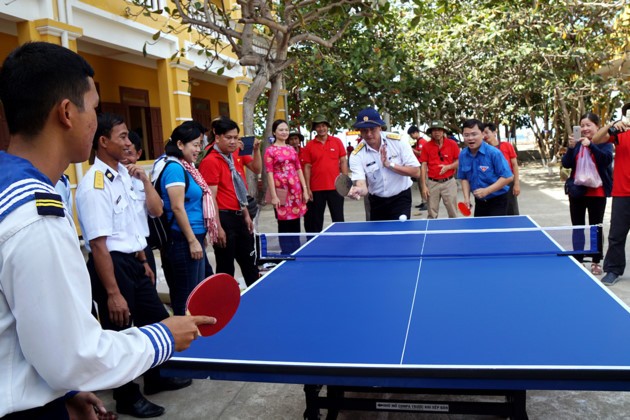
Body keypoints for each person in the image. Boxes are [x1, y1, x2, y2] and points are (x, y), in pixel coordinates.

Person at [0, 42, 211, 419]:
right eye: (94, 108)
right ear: (67, 112)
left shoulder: (12, 190)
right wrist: (163, 336)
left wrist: (62, 393)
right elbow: (76, 356)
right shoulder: (35, 218)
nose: (96, 120)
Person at [77, 113, 199, 417]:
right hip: (112, 267)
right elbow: (98, 244)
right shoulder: (94, 185)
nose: (129, 142)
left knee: (156, 319)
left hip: (135, 261)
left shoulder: (123, 176)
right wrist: (113, 292)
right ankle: (127, 395)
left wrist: (143, 259)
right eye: (122, 137)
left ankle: (157, 378)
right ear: (103, 142)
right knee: (119, 331)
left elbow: (145, 218)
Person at [159, 121, 218, 313]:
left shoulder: (188, 167)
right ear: (179, 144)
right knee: (186, 297)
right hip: (183, 240)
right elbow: (177, 207)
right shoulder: (174, 168)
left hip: (194, 236)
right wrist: (192, 240)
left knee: (196, 292)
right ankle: (184, 339)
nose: (198, 149)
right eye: (194, 144)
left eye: (200, 144)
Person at [198, 117, 260, 286]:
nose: (233, 142)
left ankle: (256, 297)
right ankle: (224, 306)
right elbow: (211, 198)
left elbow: (237, 188)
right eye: (229, 138)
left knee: (250, 263)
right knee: (226, 268)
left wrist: (246, 214)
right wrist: (217, 227)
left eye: (235, 137)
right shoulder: (210, 160)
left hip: (239, 215)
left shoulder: (232, 156)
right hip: (224, 219)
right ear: (217, 137)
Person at [561, 113, 613, 275]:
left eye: (588, 125)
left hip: (597, 192)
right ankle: (578, 259)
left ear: (597, 126)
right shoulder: (576, 143)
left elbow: (605, 161)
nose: (584, 128)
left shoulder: (605, 142)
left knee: (595, 228)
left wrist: (590, 145)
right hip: (577, 192)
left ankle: (596, 261)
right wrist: (570, 148)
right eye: (582, 125)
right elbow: (567, 163)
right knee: (578, 227)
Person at [347, 108, 421, 220]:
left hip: (400, 198)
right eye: (364, 130)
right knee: (378, 236)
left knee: (401, 235)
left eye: (372, 129)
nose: (369, 134)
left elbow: (416, 172)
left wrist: (389, 164)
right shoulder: (356, 154)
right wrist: (358, 190)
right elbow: (363, 186)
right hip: (376, 200)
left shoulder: (398, 142)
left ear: (380, 127)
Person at [592, 102, 630, 285]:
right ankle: (613, 270)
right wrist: (611, 124)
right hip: (622, 192)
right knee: (616, 234)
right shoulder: (620, 133)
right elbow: (596, 140)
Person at [264, 119, 309, 253]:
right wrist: (273, 196)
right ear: (274, 132)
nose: (284, 132)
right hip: (281, 190)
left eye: (286, 130)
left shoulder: (291, 149)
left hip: (295, 190)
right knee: (283, 222)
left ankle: (296, 251)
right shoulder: (270, 151)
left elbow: (299, 169)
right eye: (281, 130)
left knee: (295, 221)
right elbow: (269, 174)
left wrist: (304, 190)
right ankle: (286, 253)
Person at [123, 130, 162, 283]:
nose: (125, 159)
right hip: (122, 251)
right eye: (122, 153)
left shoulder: (142, 180)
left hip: (143, 247)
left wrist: (145, 181)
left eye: (129, 153)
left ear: (139, 154)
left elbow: (157, 211)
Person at [302, 114, 348, 232]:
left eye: (323, 126)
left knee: (338, 218)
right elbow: (307, 167)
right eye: (318, 126)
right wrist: (307, 188)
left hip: (336, 187)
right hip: (316, 188)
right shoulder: (309, 146)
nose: (321, 128)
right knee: (316, 220)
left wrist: (345, 181)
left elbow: (343, 161)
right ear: (315, 129)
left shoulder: (337, 141)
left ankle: (341, 242)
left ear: (327, 127)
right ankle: (316, 244)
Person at [458, 119, 513, 217]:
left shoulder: (494, 153)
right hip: (479, 202)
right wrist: (467, 198)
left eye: (474, 134)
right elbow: (464, 178)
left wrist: (487, 191)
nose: (470, 138)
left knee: (496, 231)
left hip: (498, 201)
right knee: (480, 230)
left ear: (483, 134)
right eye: (466, 135)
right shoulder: (463, 154)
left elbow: (508, 177)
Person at [419, 120, 460, 219]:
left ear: (443, 131)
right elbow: (423, 166)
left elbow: (459, 161)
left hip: (449, 182)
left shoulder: (452, 144)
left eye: (439, 130)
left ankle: (455, 233)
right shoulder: (426, 146)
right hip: (432, 183)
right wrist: (424, 185)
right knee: (432, 213)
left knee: (453, 212)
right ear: (431, 133)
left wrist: (448, 167)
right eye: (434, 130)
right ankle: (431, 233)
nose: (436, 132)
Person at [483, 123, 521, 215]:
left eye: (487, 133)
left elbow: (515, 165)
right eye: (482, 133)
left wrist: (516, 184)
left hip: (508, 183)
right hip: (493, 184)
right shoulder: (483, 149)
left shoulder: (507, 146)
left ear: (494, 132)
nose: (484, 136)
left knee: (511, 211)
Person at [408, 125, 428, 212]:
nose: (411, 136)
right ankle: (423, 201)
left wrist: (411, 149)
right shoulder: (417, 142)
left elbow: (420, 153)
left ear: (416, 132)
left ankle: (427, 202)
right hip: (418, 165)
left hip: (422, 165)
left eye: (411, 134)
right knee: (420, 185)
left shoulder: (422, 142)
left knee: (424, 184)